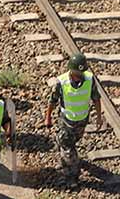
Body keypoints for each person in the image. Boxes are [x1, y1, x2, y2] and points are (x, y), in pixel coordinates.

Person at [44, 53, 103, 188]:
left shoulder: (89, 79)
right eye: (76, 72)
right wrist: (48, 117)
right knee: (67, 145)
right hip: (66, 120)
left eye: (81, 72)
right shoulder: (62, 82)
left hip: (82, 121)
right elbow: (52, 101)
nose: (79, 75)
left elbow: (96, 98)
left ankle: (67, 161)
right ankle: (72, 176)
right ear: (71, 70)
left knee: (71, 142)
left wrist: (99, 117)